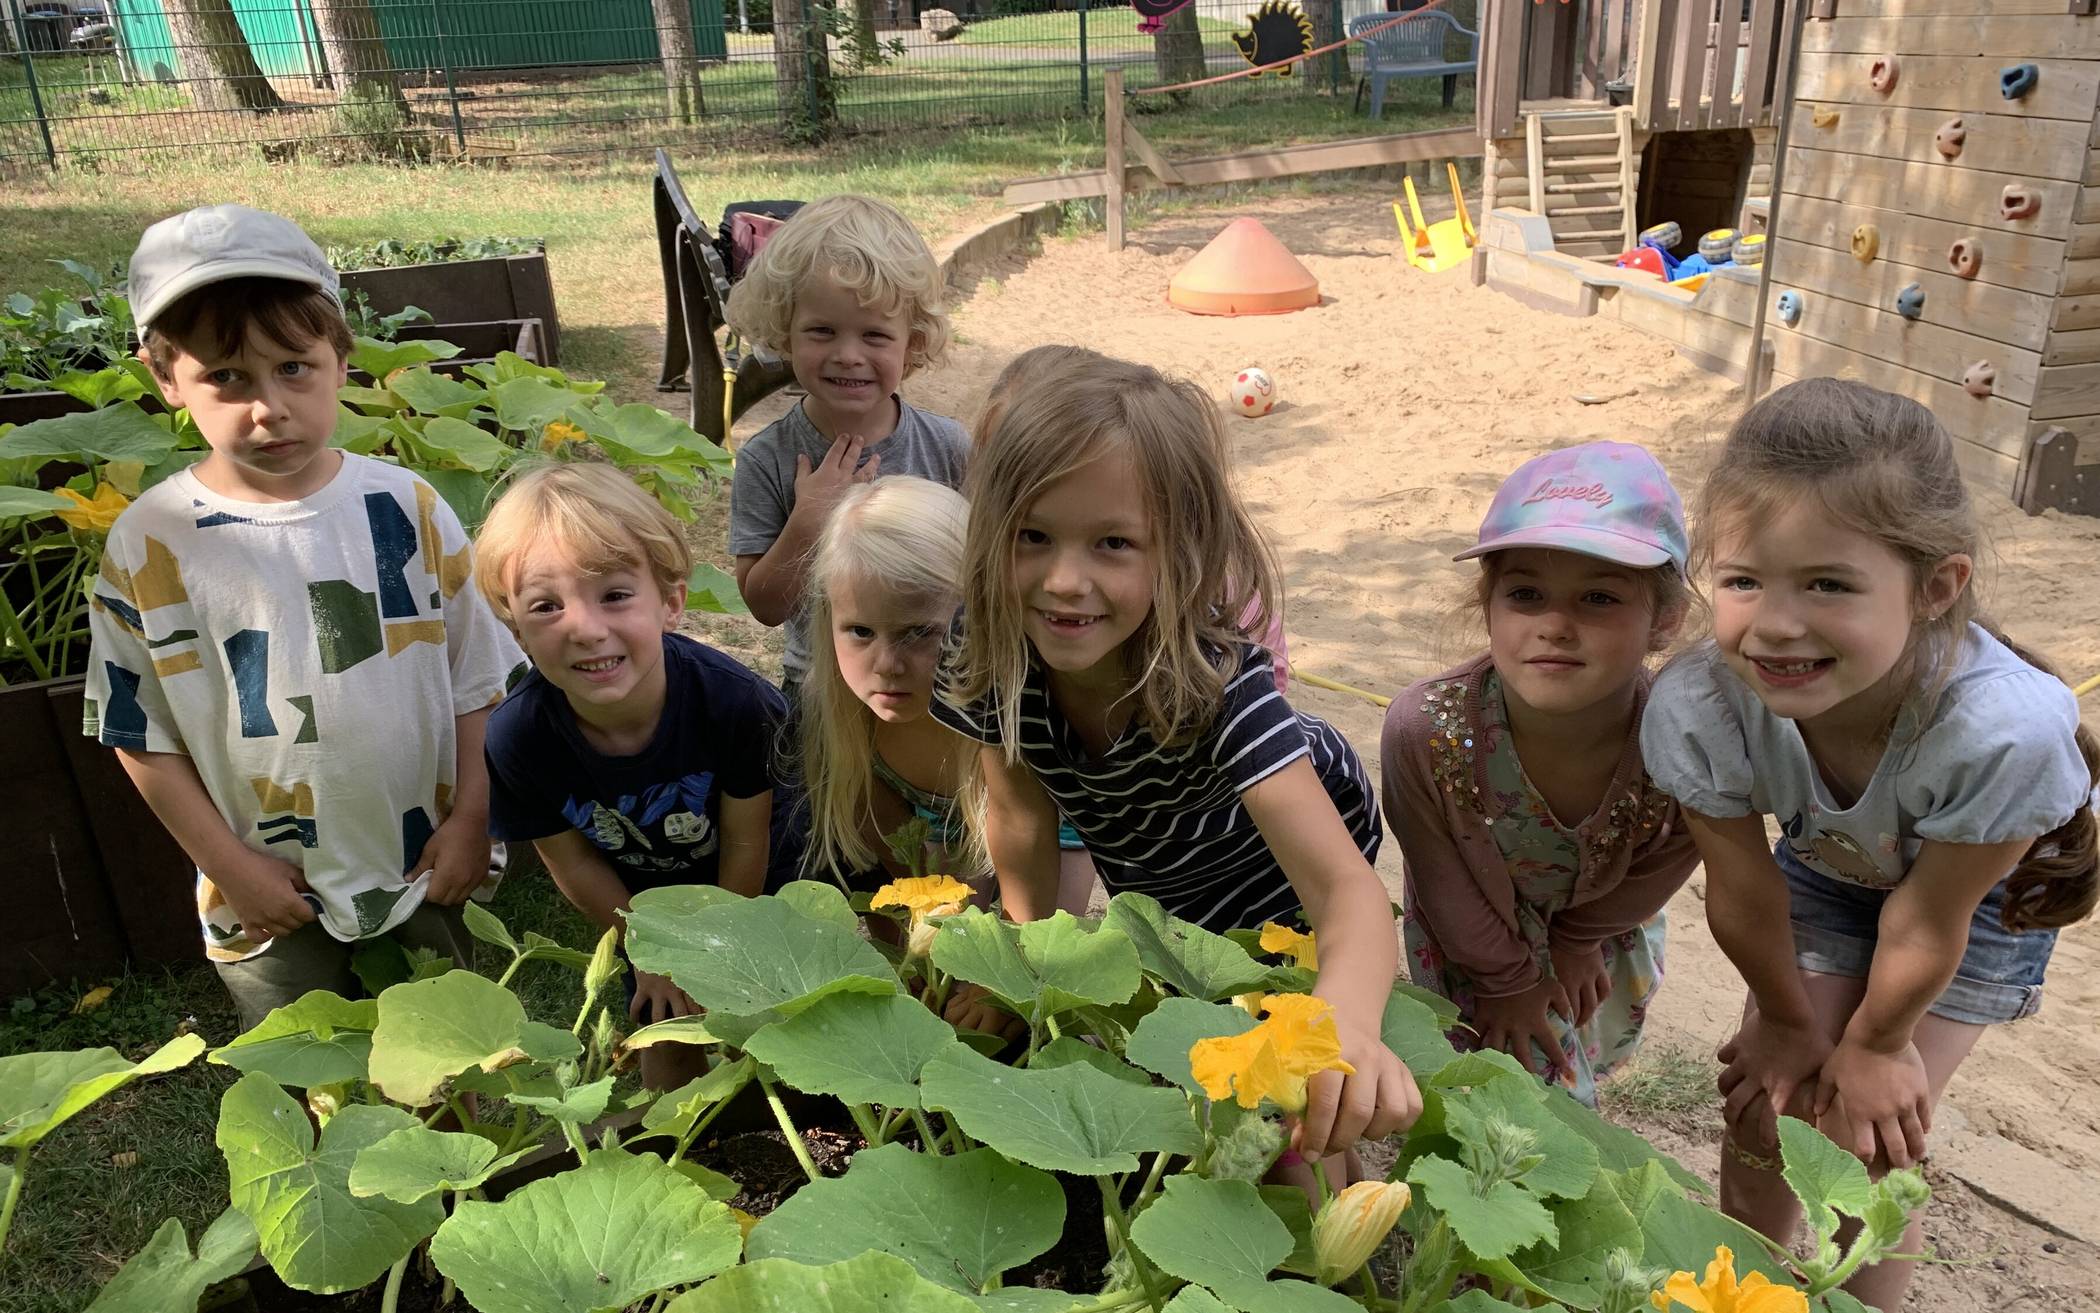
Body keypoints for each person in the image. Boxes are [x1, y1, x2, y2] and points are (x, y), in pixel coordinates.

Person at [1640, 378, 2098, 1308]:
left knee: (1861, 1129)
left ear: (1937, 587)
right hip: (1822, 871)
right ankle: (1745, 1290)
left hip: (1962, 906)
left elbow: (1930, 916)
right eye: (1742, 580)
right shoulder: (1702, 702)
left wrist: (1878, 1042)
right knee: (1765, 1109)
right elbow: (1739, 884)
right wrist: (1783, 1015)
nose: (1773, 623)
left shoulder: (2000, 731)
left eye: (1827, 584)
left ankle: (1862, 1301)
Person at [937, 351, 1420, 1169]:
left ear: (1181, 551)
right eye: (1033, 536)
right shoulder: (992, 648)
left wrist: (1336, 1029)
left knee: (1291, 1098)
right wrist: (1027, 959)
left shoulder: (1220, 684)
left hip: (1281, 856)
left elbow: (1347, 894)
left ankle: (1317, 1236)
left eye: (1113, 544)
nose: (1064, 580)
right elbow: (1019, 811)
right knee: (1185, 1039)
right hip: (1160, 871)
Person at [83, 204, 522, 1032]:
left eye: (293, 368)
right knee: (309, 1083)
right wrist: (230, 866)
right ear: (165, 377)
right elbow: (137, 732)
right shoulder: (149, 542)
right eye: (227, 377)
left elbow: (479, 681)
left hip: (422, 862)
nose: (267, 407)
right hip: (261, 889)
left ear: (341, 358)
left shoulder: (410, 508)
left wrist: (472, 818)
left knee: (447, 1066)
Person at [1381, 441, 1698, 1108]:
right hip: (1478, 939)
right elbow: (1441, 876)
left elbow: (1676, 849)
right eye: (1526, 593)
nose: (1556, 624)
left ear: (1664, 618)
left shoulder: (1689, 738)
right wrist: (1506, 981)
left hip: (1607, 922)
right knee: (1519, 1101)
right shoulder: (1427, 731)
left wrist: (1581, 934)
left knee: (1581, 1055)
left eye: (1599, 597)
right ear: (1488, 602)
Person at [475, 462, 802, 1088]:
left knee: (779, 1037)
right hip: (643, 908)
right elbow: (573, 866)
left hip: (765, 881)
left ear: (671, 602)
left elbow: (745, 841)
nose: (585, 628)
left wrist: (709, 952)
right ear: (515, 629)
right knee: (663, 1032)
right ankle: (678, 1148)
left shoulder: (735, 704)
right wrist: (655, 953)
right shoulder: (517, 736)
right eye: (546, 606)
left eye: (615, 595)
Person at [725, 194, 968, 705]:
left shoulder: (948, 447)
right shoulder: (766, 459)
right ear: (784, 333)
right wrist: (809, 521)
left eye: (875, 335)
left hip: (937, 686)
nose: (848, 355)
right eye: (822, 331)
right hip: (820, 690)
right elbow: (766, 608)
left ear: (913, 341)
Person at [798, 476, 986, 892]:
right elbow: (890, 868)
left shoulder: (1011, 721)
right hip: (919, 850)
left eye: (919, 632)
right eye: (861, 631)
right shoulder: (844, 717)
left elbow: (1042, 884)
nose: (886, 665)